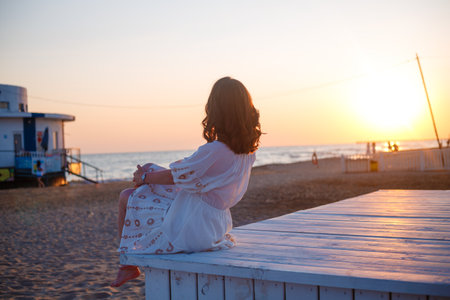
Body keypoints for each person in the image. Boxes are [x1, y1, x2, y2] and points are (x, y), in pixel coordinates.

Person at [110, 77, 262, 287]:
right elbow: (186, 177)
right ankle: (128, 263)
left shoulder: (214, 150)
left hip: (191, 227)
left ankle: (127, 264)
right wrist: (149, 173)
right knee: (149, 167)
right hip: (215, 224)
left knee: (126, 196)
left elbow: (176, 177)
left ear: (217, 110)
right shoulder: (247, 153)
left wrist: (145, 178)